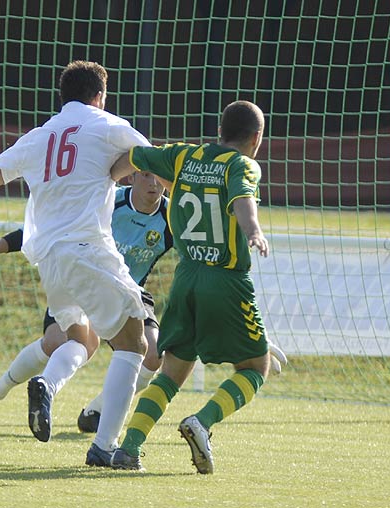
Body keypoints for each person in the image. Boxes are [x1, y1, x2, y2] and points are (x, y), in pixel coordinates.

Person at [0, 60, 151, 468]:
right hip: (88, 248)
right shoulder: (108, 124)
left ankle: (43, 384)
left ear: (63, 96)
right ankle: (105, 449)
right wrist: (122, 171)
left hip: (50, 260)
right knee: (133, 342)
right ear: (100, 96)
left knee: (80, 340)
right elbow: (148, 158)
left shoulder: (40, 135)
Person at [89, 100, 271, 474]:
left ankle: (129, 447)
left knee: (172, 371)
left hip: (186, 278)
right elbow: (243, 199)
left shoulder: (183, 156)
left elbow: (135, 157)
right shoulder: (243, 165)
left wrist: (105, 181)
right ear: (256, 137)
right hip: (226, 279)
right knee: (256, 366)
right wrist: (252, 230)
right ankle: (202, 422)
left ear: (221, 130)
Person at [0, 170, 172, 433]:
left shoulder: (172, 218)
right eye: (146, 176)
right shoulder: (105, 202)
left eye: (160, 178)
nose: (154, 184)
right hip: (83, 281)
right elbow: (47, 229)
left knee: (153, 355)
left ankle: (96, 411)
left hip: (129, 291)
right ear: (131, 178)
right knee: (57, 342)